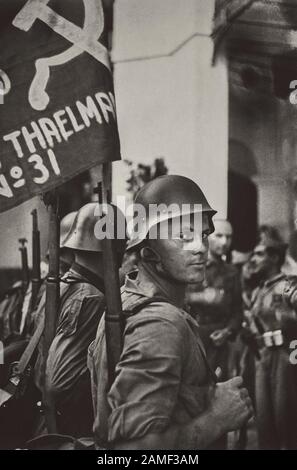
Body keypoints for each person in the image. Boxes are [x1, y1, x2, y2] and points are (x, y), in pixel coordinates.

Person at [88, 175, 253, 450]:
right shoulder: (161, 324)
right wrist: (217, 418)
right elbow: (134, 450)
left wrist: (205, 398)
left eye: (202, 235)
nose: (200, 247)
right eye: (183, 236)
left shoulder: (128, 300)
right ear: (150, 252)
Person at [33, 202, 126, 437]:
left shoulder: (63, 286)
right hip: (69, 428)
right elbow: (57, 383)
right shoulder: (90, 297)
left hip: (50, 420)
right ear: (114, 250)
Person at [247, 235, 297, 449]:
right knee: (264, 422)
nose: (253, 259)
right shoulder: (259, 290)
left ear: (275, 257)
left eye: (259, 254)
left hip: (284, 357)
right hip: (261, 357)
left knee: (285, 420)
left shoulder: (288, 287)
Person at [186, 219, 242, 382]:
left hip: (219, 340)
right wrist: (200, 297)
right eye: (219, 235)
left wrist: (228, 331)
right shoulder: (191, 265)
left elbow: (238, 310)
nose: (224, 242)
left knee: (218, 386)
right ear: (206, 237)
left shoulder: (232, 272)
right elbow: (173, 299)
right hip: (192, 334)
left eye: (229, 237)